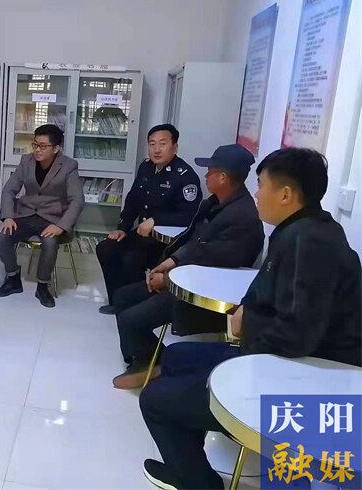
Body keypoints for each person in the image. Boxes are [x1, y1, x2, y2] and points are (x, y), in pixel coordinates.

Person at [138, 147, 361, 490]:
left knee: (155, 400)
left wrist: (245, 324)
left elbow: (297, 337)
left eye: (262, 185)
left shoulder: (309, 243)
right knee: (178, 357)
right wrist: (245, 312)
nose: (257, 194)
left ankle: (199, 482)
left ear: (285, 195)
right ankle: (191, 460)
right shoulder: (302, 229)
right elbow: (269, 293)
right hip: (277, 352)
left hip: (299, 371)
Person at [111, 144, 264, 389]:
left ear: (223, 177)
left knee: (131, 319)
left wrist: (167, 279)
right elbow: (193, 242)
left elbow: (213, 264)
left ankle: (153, 362)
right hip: (184, 277)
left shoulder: (241, 218)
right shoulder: (214, 203)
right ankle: (143, 356)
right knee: (122, 296)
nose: (206, 175)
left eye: (210, 171)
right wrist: (167, 264)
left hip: (200, 293)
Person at [97, 124, 202, 314]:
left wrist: (156, 220)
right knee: (106, 248)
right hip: (142, 234)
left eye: (162, 144)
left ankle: (136, 306)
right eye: (152, 144)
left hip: (167, 243)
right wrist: (122, 227)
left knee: (131, 258)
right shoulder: (146, 167)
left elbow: (189, 215)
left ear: (175, 147)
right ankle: (117, 300)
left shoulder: (185, 176)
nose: (156, 149)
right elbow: (133, 200)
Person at [0, 124, 84, 308]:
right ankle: (13, 278)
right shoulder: (26, 161)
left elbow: (77, 200)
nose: (37, 150)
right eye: (35, 144)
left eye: (43, 146)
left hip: (53, 218)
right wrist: (8, 216)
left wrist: (61, 226)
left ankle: (43, 285)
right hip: (26, 214)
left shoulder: (68, 166)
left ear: (56, 148)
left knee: (50, 241)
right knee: (2, 236)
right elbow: (9, 190)